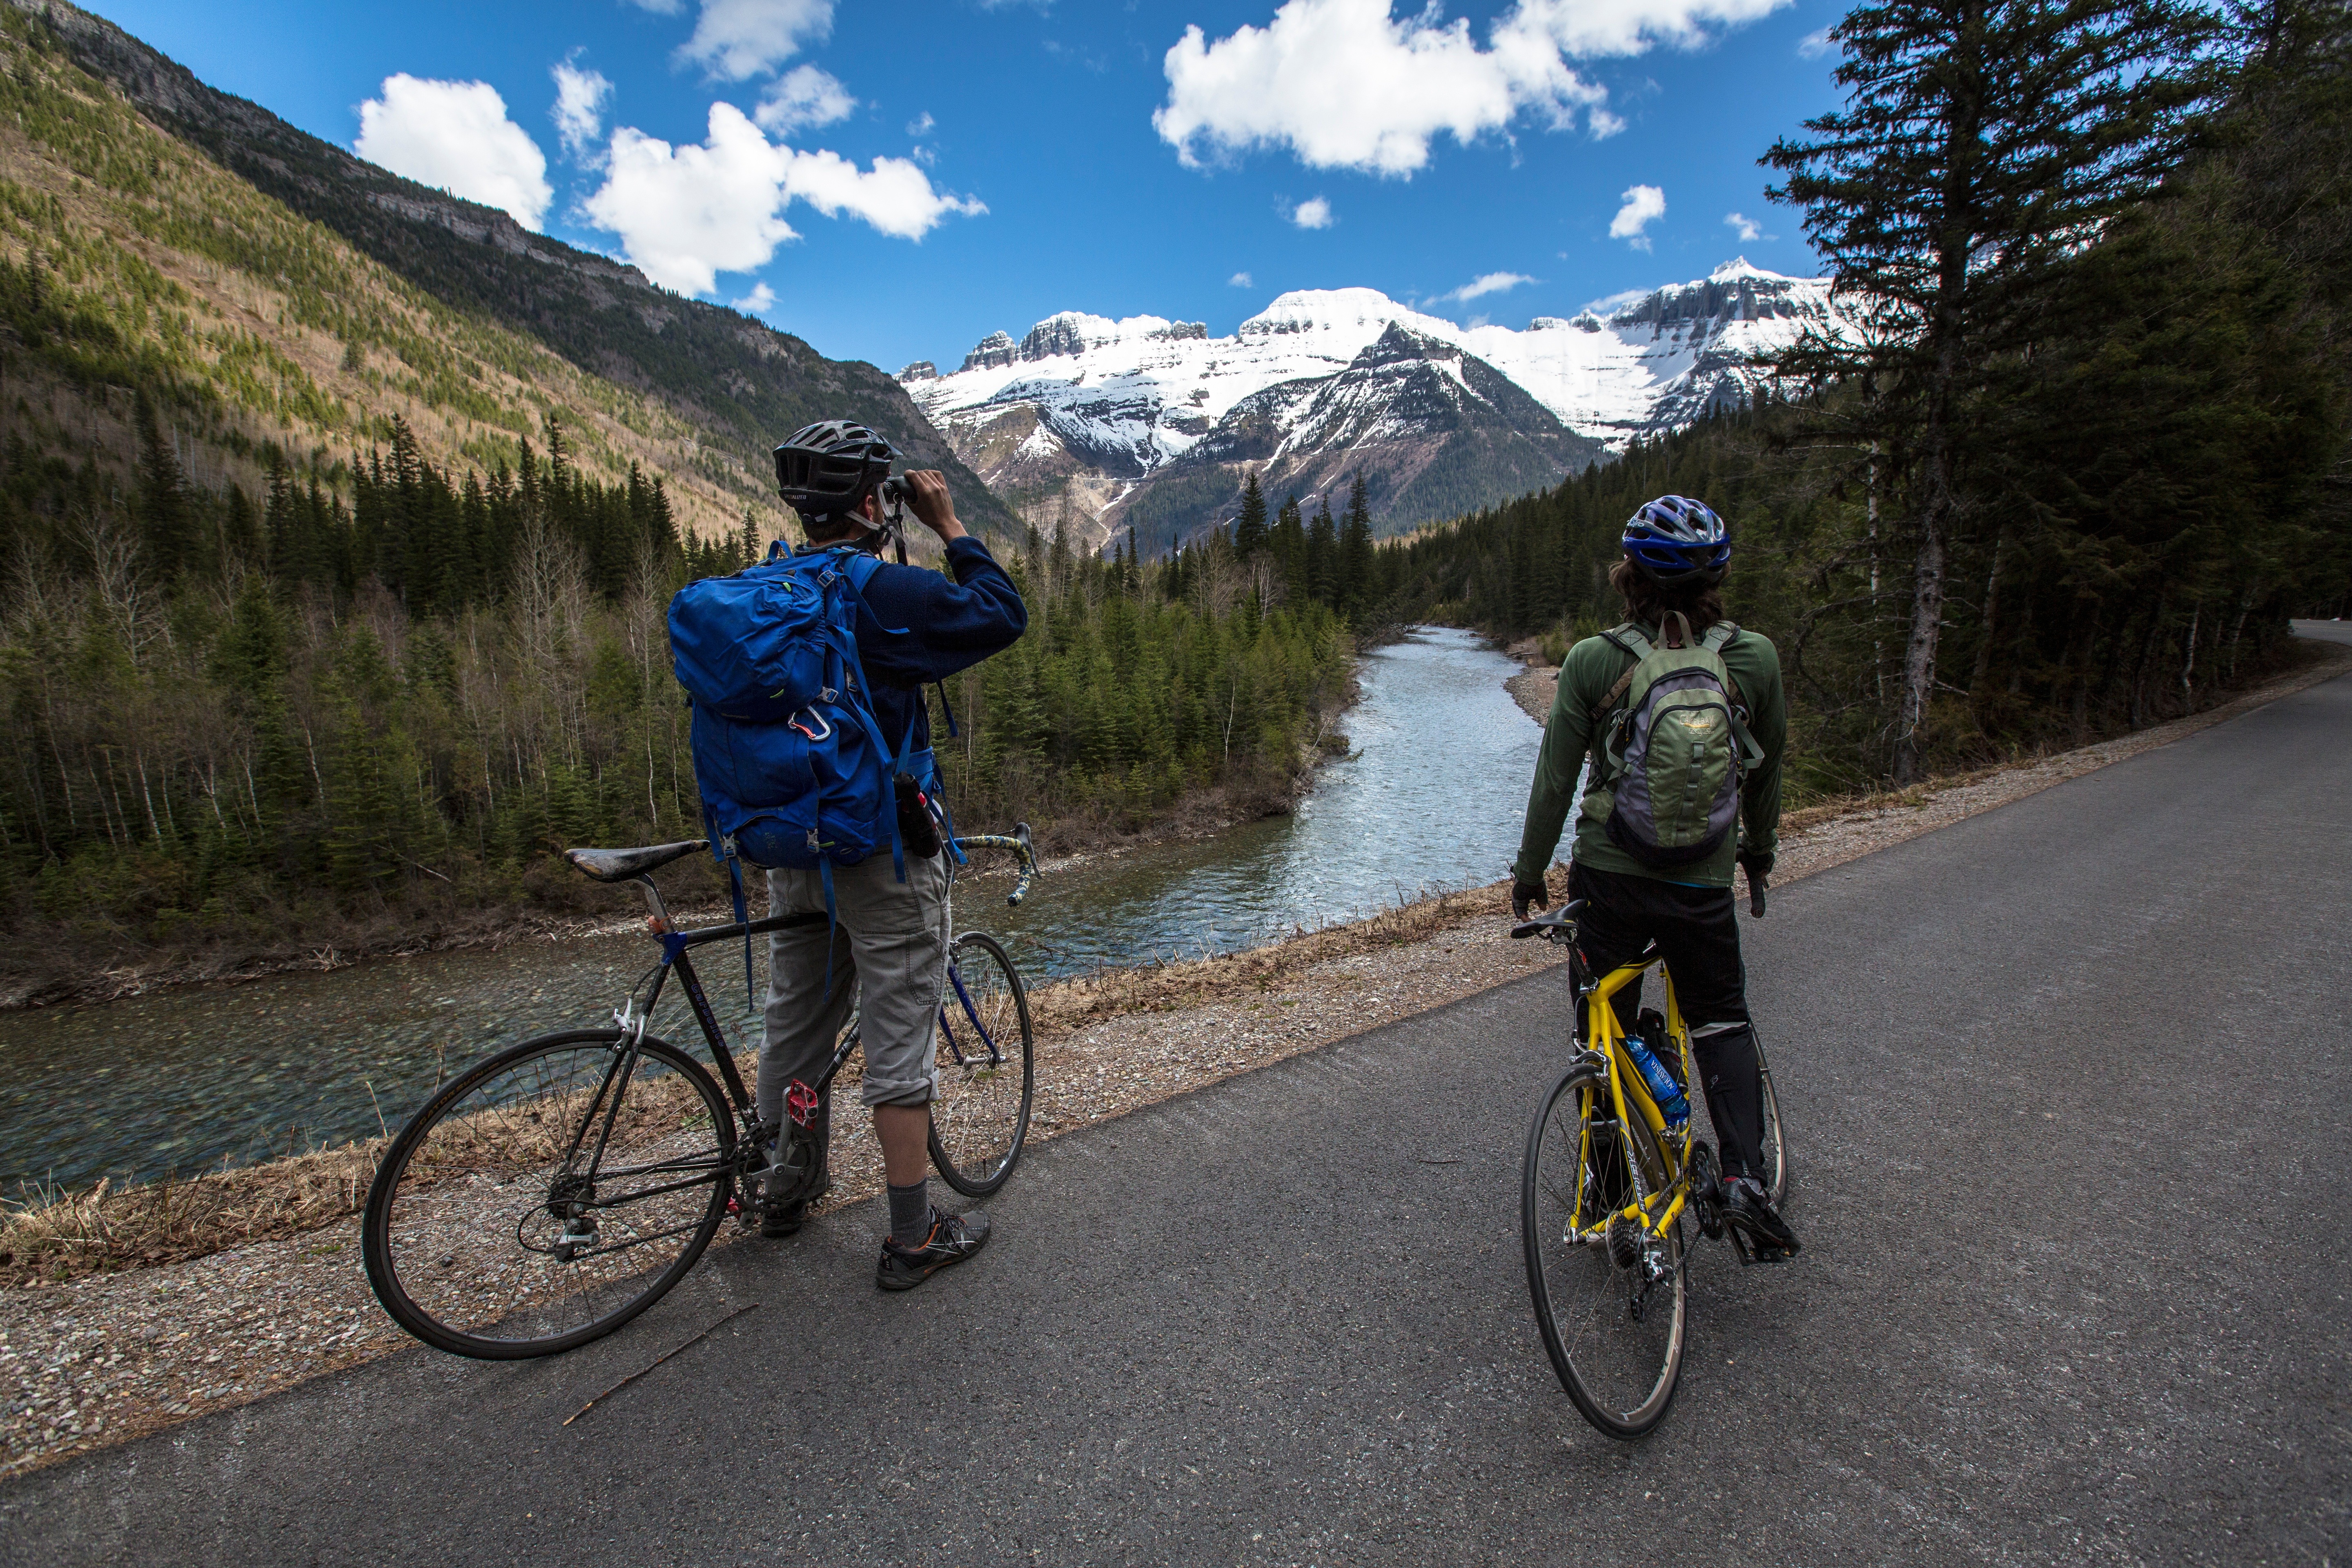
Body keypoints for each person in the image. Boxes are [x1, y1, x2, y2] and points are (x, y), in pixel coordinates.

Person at [755, 420, 1027, 1290]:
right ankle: (911, 1236)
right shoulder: (881, 591)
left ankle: (783, 1191)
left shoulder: (767, 587)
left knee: (794, 1022)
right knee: (899, 1031)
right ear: (876, 503)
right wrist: (951, 526)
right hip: (883, 846)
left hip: (793, 844)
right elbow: (1001, 612)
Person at [1510, 494, 1800, 1255]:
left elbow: (1555, 782)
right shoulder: (1755, 660)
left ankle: (1607, 1199)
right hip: (1702, 884)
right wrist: (1758, 853)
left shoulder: (1594, 661)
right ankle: (1741, 1178)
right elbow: (1764, 777)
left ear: (1628, 576)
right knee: (1721, 1021)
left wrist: (1530, 872)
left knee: (1597, 1040)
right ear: (1718, 579)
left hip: (1609, 880)